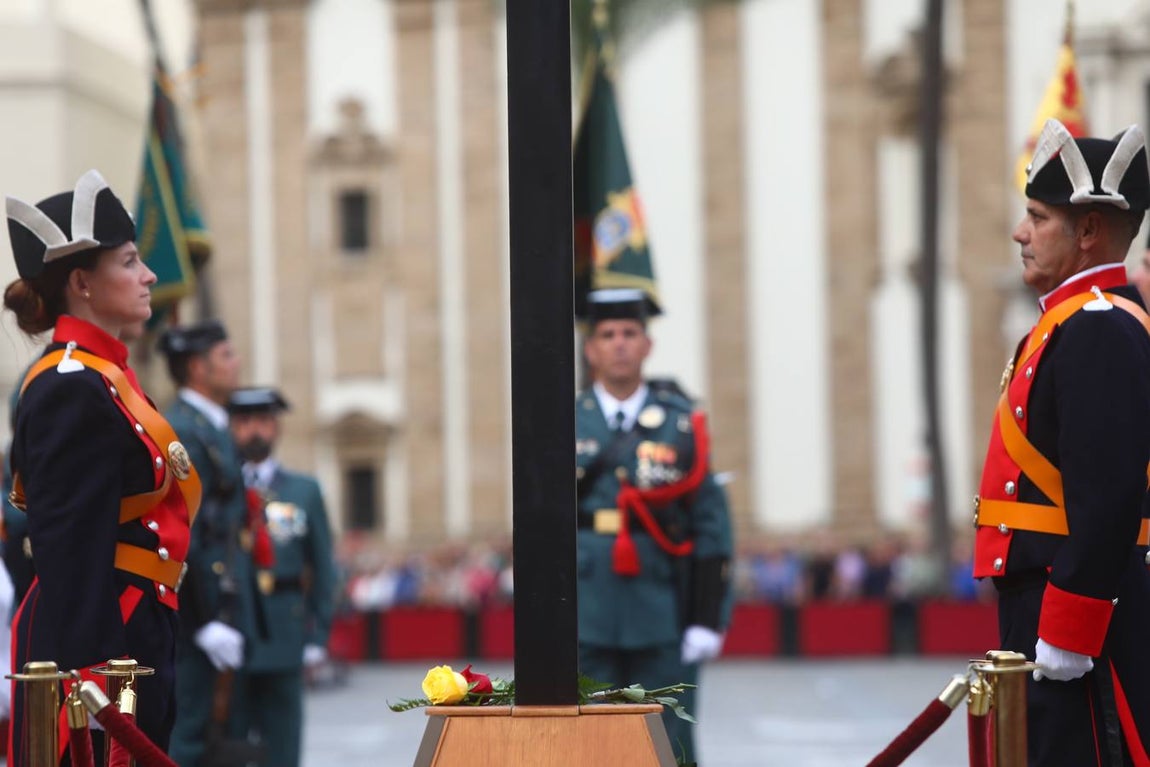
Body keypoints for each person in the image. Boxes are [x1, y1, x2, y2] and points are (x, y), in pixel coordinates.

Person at [2, 169, 200, 762]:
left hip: (137, 621)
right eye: (130, 261)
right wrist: (97, 679)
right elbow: (67, 546)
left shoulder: (103, 375)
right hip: (103, 639)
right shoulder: (70, 385)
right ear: (82, 282)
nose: (149, 276)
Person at [973, 118, 1150, 765]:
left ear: (1087, 231)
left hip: (1073, 611)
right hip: (1042, 600)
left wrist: (1071, 624)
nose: (1020, 233)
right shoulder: (1071, 321)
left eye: (1038, 217)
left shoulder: (1098, 327)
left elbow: (1108, 494)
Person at [575, 288, 733, 766]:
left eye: (630, 333)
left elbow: (710, 525)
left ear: (647, 345)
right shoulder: (564, 422)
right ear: (591, 349)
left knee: (670, 742)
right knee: (591, 744)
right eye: (608, 335)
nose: (620, 343)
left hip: (663, 607)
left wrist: (707, 617)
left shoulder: (680, 424)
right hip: (584, 608)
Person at [157, 320, 255, 766]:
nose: (237, 363)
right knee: (190, 733)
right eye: (226, 356)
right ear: (198, 368)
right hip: (201, 610)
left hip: (225, 602)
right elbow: (184, 530)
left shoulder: (212, 424)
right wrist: (200, 620)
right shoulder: (184, 428)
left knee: (225, 737)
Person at [226, 386, 337, 767]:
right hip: (232, 632)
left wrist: (318, 636)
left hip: (285, 632)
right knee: (230, 743)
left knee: (283, 744)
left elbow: (322, 566)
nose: (254, 430)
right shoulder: (221, 488)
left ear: (276, 427)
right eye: (244, 421)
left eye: (262, 420)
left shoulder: (303, 491)